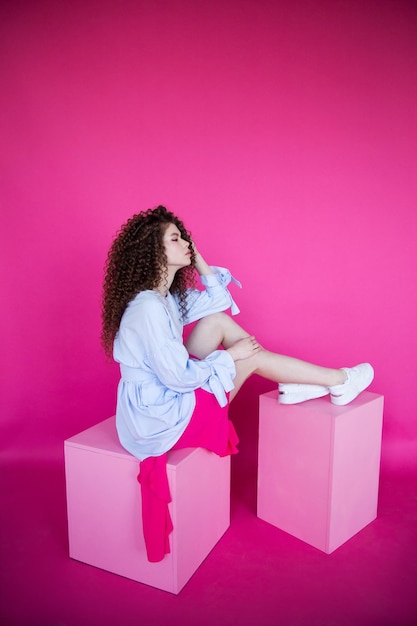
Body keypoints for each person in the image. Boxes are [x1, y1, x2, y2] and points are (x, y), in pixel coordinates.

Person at [101, 205, 374, 560]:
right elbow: (177, 378)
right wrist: (229, 357)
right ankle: (337, 380)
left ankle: (298, 382)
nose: (186, 242)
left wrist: (196, 258)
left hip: (160, 395)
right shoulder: (148, 308)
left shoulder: (163, 298)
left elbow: (218, 302)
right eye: (176, 239)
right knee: (250, 356)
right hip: (160, 416)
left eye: (184, 238)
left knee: (215, 321)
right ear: (154, 252)